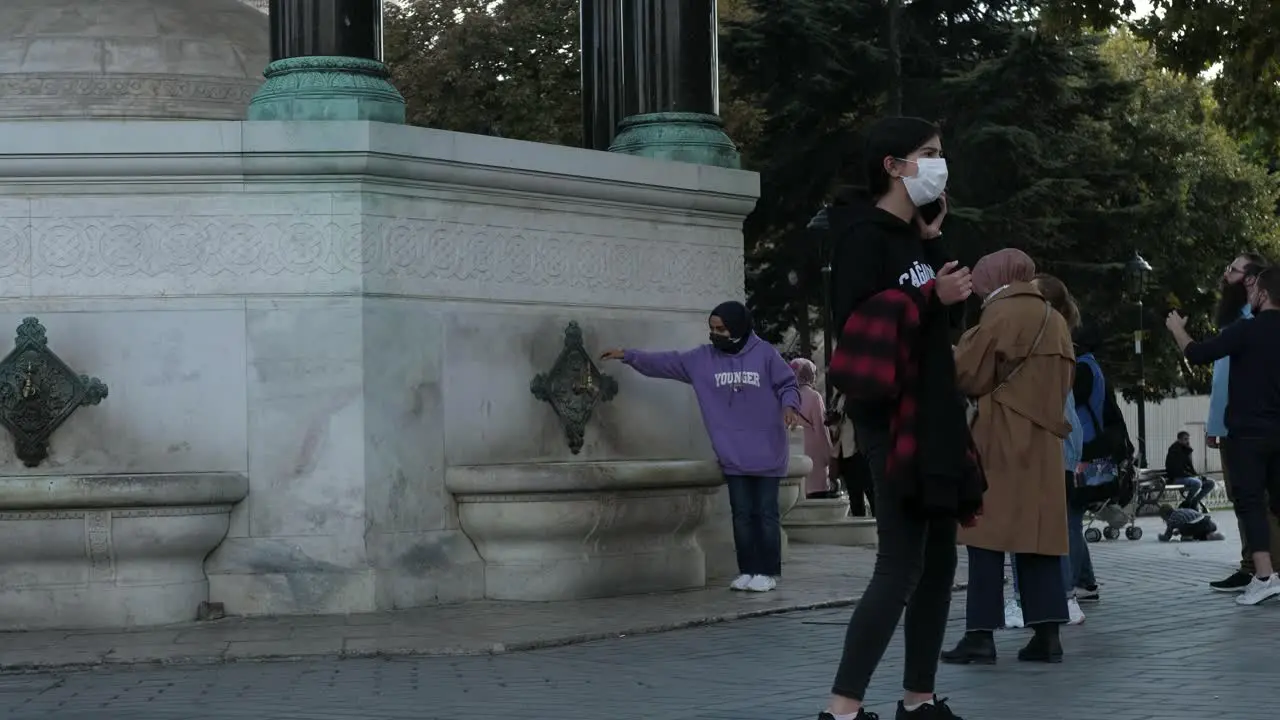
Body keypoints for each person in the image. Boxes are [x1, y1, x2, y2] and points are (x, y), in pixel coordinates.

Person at [820, 116, 982, 720]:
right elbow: (862, 327)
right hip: (893, 419)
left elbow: (942, 326)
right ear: (893, 165)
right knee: (900, 563)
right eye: (928, 154)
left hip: (936, 413)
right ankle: (841, 709)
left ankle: (918, 699)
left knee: (941, 558)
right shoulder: (863, 236)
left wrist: (934, 244)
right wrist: (925, 295)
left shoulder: (915, 236)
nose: (939, 165)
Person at [600, 301, 804, 595]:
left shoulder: (765, 355)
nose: (716, 334)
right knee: (742, 515)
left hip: (766, 452)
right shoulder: (703, 359)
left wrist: (789, 407)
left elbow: (787, 384)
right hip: (733, 454)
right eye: (712, 329)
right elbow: (665, 362)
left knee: (766, 514)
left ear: (739, 326)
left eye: (721, 328)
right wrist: (628, 355)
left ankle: (768, 571)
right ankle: (748, 570)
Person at [941, 249, 1075, 666]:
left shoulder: (1000, 315)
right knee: (1039, 539)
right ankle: (1048, 634)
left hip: (999, 436)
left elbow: (966, 373)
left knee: (986, 537)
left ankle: (980, 635)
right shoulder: (1055, 320)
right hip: (1045, 442)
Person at [1167, 265, 1280, 606]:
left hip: (1247, 434)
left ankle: (1263, 577)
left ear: (1262, 294)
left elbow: (1198, 354)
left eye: (1252, 290)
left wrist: (1177, 330)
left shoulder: (1247, 330)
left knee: (1250, 504)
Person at [1203, 254, 1280, 592]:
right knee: (1243, 498)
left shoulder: (1256, 320)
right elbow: (1221, 380)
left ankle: (1266, 570)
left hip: (1252, 426)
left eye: (1232, 269)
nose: (1225, 273)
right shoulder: (1235, 319)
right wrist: (1213, 423)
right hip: (1232, 423)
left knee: (1258, 500)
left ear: (1252, 281)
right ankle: (1252, 566)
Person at [1069, 323, 1134, 603]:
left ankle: (1069, 586)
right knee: (1073, 516)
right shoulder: (1093, 368)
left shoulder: (1081, 370)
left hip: (1082, 451)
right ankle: (1086, 582)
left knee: (1069, 518)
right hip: (1092, 449)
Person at [791, 358, 835, 498]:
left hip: (793, 456)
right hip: (814, 460)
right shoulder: (814, 397)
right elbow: (821, 431)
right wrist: (829, 458)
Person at [828, 392, 875, 514]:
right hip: (845, 453)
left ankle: (876, 524)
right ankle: (859, 527)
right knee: (854, 495)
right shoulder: (838, 398)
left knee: (870, 491)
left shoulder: (858, 395)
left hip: (858, 451)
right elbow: (835, 428)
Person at [1164, 431, 1217, 509]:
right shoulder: (1174, 450)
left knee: (1211, 483)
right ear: (1179, 440)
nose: (1187, 441)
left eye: (1188, 439)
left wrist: (1197, 476)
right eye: (1185, 439)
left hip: (1186, 476)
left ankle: (1194, 502)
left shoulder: (1185, 449)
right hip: (1177, 478)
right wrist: (1192, 476)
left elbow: (1189, 467)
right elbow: (1177, 469)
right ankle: (1187, 503)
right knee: (1197, 483)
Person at [1158, 504, 1224, 542]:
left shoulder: (1172, 518)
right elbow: (1185, 521)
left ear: (1165, 515)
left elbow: (1167, 536)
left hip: (1196, 526)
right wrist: (1179, 531)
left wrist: (1161, 537)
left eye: (1163, 519)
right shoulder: (1181, 510)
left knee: (1185, 534)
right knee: (1200, 533)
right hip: (1208, 522)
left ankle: (1188, 537)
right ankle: (1211, 535)